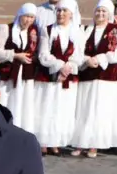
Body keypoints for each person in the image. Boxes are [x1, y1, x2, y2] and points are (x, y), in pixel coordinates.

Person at [70, 0, 117, 157]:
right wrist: (86, 60)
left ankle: (94, 145)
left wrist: (101, 58)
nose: (100, 14)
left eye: (104, 11)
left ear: (109, 14)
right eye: (98, 11)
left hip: (107, 77)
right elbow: (78, 50)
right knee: (84, 109)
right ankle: (81, 143)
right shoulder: (87, 29)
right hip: (88, 74)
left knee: (100, 110)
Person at [34, 0, 82, 155]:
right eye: (59, 11)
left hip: (68, 78)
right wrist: (60, 65)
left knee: (62, 109)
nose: (61, 14)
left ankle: (56, 142)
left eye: (64, 11)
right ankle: (44, 141)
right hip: (48, 76)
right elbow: (43, 54)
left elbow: (79, 56)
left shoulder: (77, 32)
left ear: (71, 14)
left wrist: (68, 68)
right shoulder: (48, 30)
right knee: (46, 107)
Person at [0, 2, 39, 133]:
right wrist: (15, 55)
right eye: (26, 16)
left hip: (25, 76)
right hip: (8, 75)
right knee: (6, 101)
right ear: (20, 15)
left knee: (23, 103)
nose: (28, 20)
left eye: (31, 17)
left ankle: (19, 131)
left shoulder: (34, 33)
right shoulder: (6, 29)